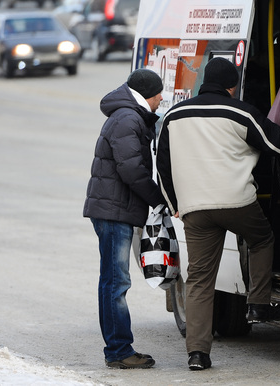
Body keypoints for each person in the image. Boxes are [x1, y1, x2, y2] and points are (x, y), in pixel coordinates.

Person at [156, 57, 280, 371]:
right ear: (232, 86)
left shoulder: (174, 115)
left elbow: (162, 166)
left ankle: (197, 354)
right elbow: (276, 144)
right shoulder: (240, 111)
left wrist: (176, 203)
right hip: (236, 202)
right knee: (262, 238)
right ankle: (257, 305)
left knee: (199, 280)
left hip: (194, 209)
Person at [83, 68, 167, 370]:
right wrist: (159, 199)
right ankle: (119, 350)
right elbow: (131, 169)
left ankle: (117, 349)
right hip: (113, 210)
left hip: (113, 208)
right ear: (148, 94)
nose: (161, 99)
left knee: (111, 282)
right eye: (159, 93)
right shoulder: (128, 119)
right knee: (116, 282)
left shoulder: (128, 116)